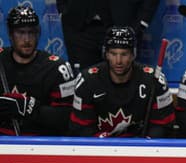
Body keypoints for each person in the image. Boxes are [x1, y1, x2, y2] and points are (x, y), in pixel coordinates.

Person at [69, 26, 175, 138]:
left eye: (124, 54)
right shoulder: (87, 80)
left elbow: (164, 126)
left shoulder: (154, 80)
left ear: (133, 54)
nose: (118, 61)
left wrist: (145, 143)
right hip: (99, 150)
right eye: (113, 54)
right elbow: (80, 128)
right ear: (106, 54)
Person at [0, 5, 76, 136]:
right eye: (21, 33)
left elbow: (68, 118)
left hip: (41, 145)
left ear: (38, 33)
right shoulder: (1, 61)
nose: (27, 39)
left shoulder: (58, 68)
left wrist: (29, 107)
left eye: (31, 32)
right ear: (11, 35)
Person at [57, 0, 160, 71]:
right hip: (79, 27)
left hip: (123, 26)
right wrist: (63, 10)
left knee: (121, 81)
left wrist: (141, 23)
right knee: (83, 82)